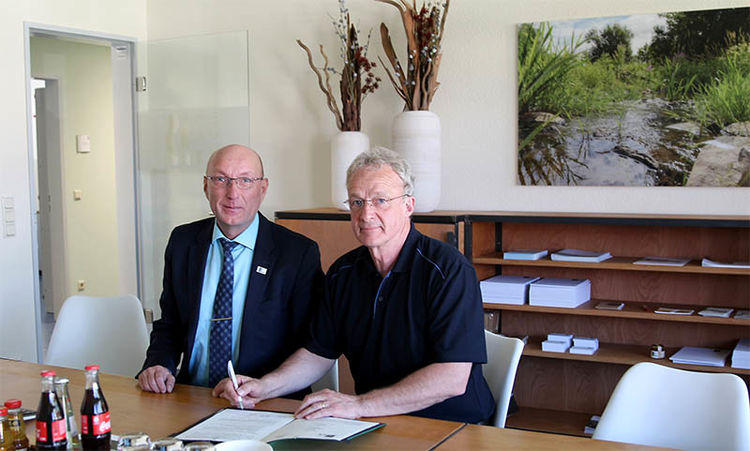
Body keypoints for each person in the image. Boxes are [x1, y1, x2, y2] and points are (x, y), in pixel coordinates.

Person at [214, 147, 495, 424]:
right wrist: (264, 387)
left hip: (452, 425)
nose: (367, 214)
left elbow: (452, 378)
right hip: (376, 420)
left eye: (380, 200)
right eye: (357, 202)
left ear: (408, 205)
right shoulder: (343, 273)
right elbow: (317, 353)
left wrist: (359, 404)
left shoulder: (448, 270)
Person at [137, 144, 324, 398]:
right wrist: (158, 364)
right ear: (206, 186)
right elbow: (170, 324)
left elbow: (311, 343)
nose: (232, 193)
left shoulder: (297, 253)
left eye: (245, 180)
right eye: (221, 179)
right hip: (190, 395)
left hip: (265, 401)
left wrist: (266, 387)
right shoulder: (183, 242)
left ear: (263, 188)